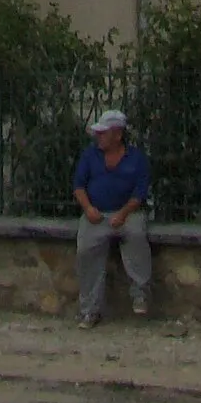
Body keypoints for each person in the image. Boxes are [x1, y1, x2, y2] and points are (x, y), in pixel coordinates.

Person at [72, 107, 150, 325]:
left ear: (117, 134)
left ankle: (140, 294)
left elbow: (140, 193)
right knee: (86, 249)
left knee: (135, 236)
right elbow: (78, 186)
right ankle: (89, 308)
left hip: (128, 211)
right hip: (96, 212)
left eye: (103, 133)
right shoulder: (90, 155)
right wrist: (88, 208)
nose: (99, 137)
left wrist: (123, 213)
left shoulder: (136, 158)